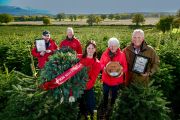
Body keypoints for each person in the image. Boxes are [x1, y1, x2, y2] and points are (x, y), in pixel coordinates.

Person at [100, 37, 128, 111]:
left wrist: (121, 72)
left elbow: (125, 67)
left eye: (114, 45)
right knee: (105, 94)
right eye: (111, 45)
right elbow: (101, 64)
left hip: (116, 81)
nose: (112, 47)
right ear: (109, 46)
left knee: (114, 95)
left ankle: (112, 107)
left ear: (117, 46)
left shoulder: (121, 55)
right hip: (106, 80)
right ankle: (105, 106)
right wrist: (104, 68)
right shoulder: (105, 54)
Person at [78, 40, 101, 120]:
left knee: (91, 105)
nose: (90, 50)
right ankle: (82, 114)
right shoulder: (79, 57)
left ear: (95, 50)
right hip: (77, 87)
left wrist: (82, 86)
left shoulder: (97, 63)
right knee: (79, 105)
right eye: (89, 48)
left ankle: (93, 117)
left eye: (92, 48)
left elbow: (92, 79)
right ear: (86, 49)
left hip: (87, 87)